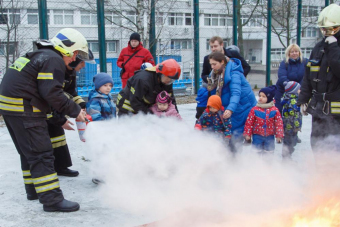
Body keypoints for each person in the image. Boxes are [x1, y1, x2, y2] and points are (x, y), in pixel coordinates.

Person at [0, 28, 88, 212]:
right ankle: (51, 200)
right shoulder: (53, 59)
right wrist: (74, 110)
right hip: (25, 109)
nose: (74, 59)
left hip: (11, 108)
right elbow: (51, 92)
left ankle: (33, 190)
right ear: (67, 50)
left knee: (28, 152)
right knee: (41, 153)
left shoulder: (42, 54)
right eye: (75, 54)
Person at [297, 3, 340, 152]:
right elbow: (308, 75)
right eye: (324, 29)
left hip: (337, 114)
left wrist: (334, 48)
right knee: (318, 147)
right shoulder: (318, 47)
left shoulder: (333, 47)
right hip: (319, 110)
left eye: (332, 29)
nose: (328, 33)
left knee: (334, 151)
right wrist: (303, 99)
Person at [47, 49, 95, 177]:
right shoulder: (56, 71)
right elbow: (50, 97)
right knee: (44, 141)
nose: (83, 66)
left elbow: (72, 93)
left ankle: (61, 167)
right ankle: (46, 170)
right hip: (43, 110)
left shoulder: (71, 73)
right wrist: (59, 120)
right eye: (82, 62)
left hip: (57, 108)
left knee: (59, 138)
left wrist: (82, 106)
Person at [196, 52, 257, 153]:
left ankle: (235, 163)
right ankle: (229, 161)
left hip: (241, 109)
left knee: (234, 139)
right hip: (228, 108)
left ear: (222, 62)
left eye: (214, 64)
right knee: (226, 140)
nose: (212, 67)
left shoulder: (234, 73)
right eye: (211, 64)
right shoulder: (214, 75)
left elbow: (236, 93)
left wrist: (230, 109)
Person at [116, 59, 181, 116]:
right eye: (168, 78)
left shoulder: (166, 82)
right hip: (127, 107)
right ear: (161, 74)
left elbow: (170, 100)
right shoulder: (143, 80)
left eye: (172, 80)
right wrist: (151, 115)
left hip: (142, 106)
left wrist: (175, 117)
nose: (169, 81)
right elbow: (135, 101)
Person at [243, 86, 284, 154]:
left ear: (269, 98)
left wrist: (279, 135)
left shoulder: (274, 110)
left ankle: (267, 164)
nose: (260, 98)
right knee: (256, 153)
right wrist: (247, 134)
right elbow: (249, 123)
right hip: (257, 135)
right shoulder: (255, 109)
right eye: (260, 96)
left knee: (269, 153)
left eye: (263, 96)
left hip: (270, 136)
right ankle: (256, 164)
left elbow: (279, 123)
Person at [274, 44, 307, 114]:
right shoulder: (284, 63)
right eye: (292, 52)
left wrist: (301, 88)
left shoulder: (304, 62)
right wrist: (292, 87)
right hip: (282, 90)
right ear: (288, 53)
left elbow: (306, 77)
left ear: (299, 52)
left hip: (298, 91)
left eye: (296, 51)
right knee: (279, 110)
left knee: (296, 112)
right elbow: (282, 76)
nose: (294, 53)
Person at [281, 81, 302, 159]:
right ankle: (287, 158)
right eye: (299, 89)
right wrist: (297, 126)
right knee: (290, 143)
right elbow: (295, 116)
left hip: (287, 126)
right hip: (291, 127)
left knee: (287, 142)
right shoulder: (294, 102)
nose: (300, 90)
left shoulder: (286, 98)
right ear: (295, 91)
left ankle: (286, 156)